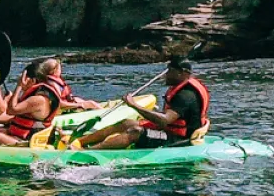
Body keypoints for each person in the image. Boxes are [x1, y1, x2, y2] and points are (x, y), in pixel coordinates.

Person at [71, 56, 210, 150]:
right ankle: (79, 141)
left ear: (182, 73)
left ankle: (87, 151)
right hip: (171, 130)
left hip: (178, 139)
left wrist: (134, 105)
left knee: (135, 131)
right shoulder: (180, 87)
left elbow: (164, 121)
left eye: (169, 71)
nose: (165, 75)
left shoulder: (186, 95)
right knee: (127, 123)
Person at [0, 60, 62, 146]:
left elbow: (11, 110)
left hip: (23, 142)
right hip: (18, 137)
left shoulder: (38, 100)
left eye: (23, 78)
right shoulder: (36, 97)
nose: (21, 81)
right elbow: (15, 116)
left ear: (32, 80)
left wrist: (19, 86)